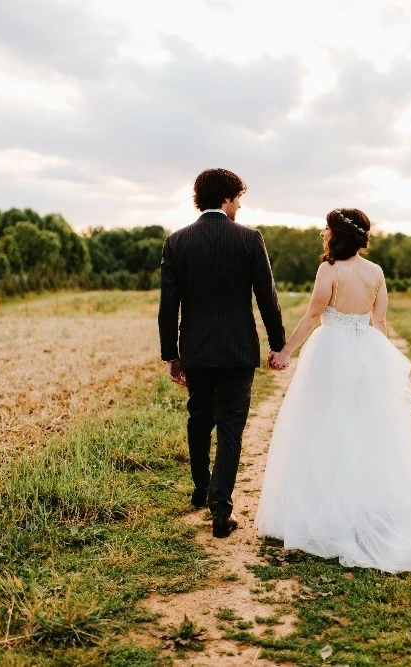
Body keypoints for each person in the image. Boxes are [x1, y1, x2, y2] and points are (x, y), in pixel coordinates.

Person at [255, 208, 411, 574]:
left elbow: (314, 315)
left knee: (324, 426)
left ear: (337, 234)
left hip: (330, 352)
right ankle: (364, 508)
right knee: (365, 430)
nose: (321, 234)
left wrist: (284, 351)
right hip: (366, 351)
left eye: (325, 228)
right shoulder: (375, 271)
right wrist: (380, 364)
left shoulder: (329, 269)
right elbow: (380, 322)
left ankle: (328, 511)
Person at [158, 168, 285, 538]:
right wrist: (277, 344)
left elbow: (169, 307)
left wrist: (172, 354)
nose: (240, 206)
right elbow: (267, 298)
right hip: (237, 351)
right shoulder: (249, 239)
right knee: (231, 428)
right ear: (227, 198)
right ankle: (221, 510)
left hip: (196, 349)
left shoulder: (176, 242)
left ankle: (201, 488)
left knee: (199, 418)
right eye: (238, 199)